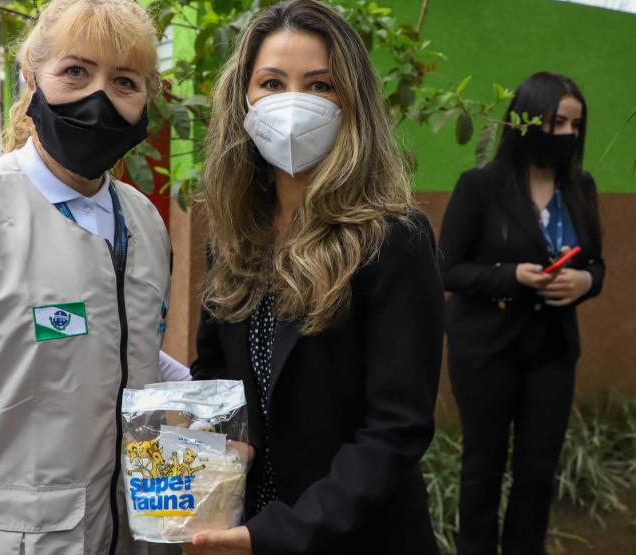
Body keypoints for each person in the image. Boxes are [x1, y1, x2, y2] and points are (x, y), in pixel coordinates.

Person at [0, 1, 187, 553]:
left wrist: (209, 395)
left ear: (147, 98)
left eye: (124, 81)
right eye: (75, 72)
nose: (99, 99)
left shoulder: (143, 220)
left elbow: (120, 341)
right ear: (31, 77)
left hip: (130, 535)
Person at [186, 1, 444, 553]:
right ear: (244, 99)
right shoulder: (232, 232)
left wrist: (281, 535)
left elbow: (396, 429)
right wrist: (223, 448)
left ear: (352, 102)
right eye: (272, 82)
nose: (292, 104)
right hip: (243, 522)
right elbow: (213, 367)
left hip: (353, 535)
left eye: (320, 85)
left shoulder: (395, 237)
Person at [439, 72, 604, 555]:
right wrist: (511, 276)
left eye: (575, 124)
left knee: (537, 471)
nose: (567, 134)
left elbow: (597, 263)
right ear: (526, 121)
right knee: (483, 468)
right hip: (485, 349)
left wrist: (587, 282)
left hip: (552, 351)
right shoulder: (480, 186)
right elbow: (446, 270)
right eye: (556, 123)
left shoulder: (581, 187)